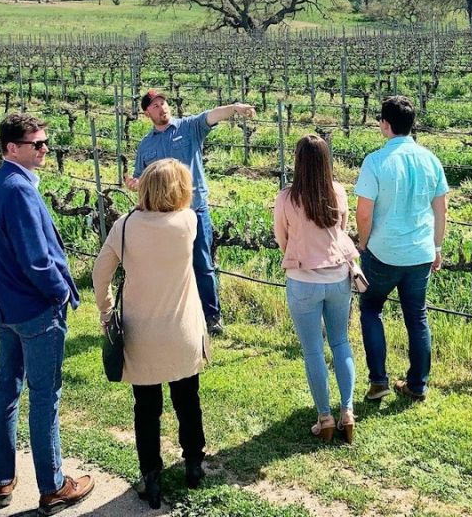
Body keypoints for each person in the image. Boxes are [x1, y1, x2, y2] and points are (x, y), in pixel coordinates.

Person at [0, 114, 94, 515]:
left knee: (6, 390)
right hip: (34, 309)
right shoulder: (18, 190)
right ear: (12, 148)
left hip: (4, 305)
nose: (46, 149)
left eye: (46, 142)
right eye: (37, 144)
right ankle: (53, 485)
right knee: (44, 396)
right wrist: (61, 294)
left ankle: (2, 479)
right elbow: (36, 259)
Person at [93, 158, 208, 509]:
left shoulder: (125, 226)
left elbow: (100, 273)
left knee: (146, 408)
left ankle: (151, 475)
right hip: (182, 330)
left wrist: (106, 310)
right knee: (187, 399)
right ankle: (193, 463)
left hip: (141, 333)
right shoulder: (187, 222)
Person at [125, 89, 256, 336]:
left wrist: (234, 108)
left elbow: (210, 116)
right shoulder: (146, 145)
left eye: (163, 103)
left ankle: (211, 317)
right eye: (155, 106)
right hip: (163, 217)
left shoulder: (189, 128)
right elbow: (141, 178)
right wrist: (135, 184)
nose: (162, 108)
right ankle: (175, 315)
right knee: (169, 267)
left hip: (194, 210)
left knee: (202, 264)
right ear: (147, 113)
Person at [354, 96, 449, 403]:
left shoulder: (375, 161)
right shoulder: (430, 159)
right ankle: (417, 385)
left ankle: (378, 381)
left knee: (371, 308)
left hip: (383, 251)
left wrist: (363, 243)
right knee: (417, 317)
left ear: (385, 124)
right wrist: (437, 246)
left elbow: (364, 213)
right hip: (420, 252)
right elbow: (441, 210)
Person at [273, 135, 360, 443]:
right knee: (341, 342)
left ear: (297, 161)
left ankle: (324, 417)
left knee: (313, 350)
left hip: (303, 280)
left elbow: (282, 239)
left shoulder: (286, 198)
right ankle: (347, 411)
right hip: (338, 278)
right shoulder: (338, 192)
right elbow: (342, 231)